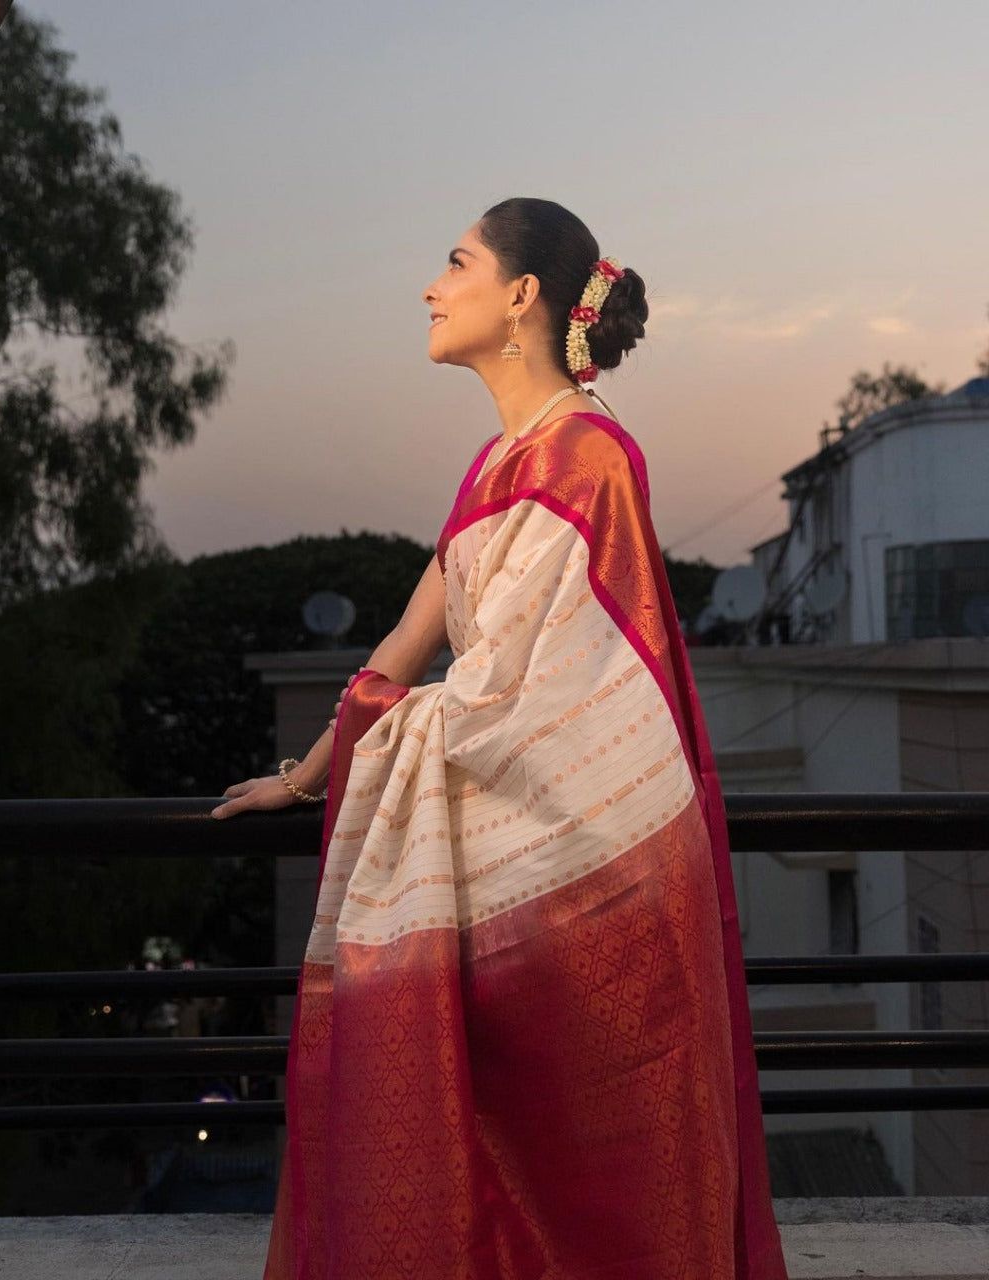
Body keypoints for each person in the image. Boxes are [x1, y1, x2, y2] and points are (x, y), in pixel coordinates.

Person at [213, 198, 788, 1280]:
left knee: (593, 1190)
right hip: (514, 863)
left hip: (594, 874)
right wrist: (300, 778)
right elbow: (401, 646)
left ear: (520, 296)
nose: (432, 287)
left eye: (455, 262)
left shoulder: (591, 460)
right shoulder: (492, 465)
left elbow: (536, 701)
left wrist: (388, 741)